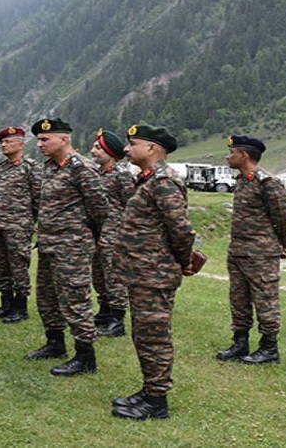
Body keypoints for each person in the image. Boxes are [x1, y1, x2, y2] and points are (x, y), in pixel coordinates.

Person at [111, 123, 196, 420]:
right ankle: (149, 390)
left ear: (151, 148)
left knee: (154, 337)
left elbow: (182, 230)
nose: (126, 149)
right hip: (142, 272)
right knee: (144, 335)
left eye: (132, 143)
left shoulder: (163, 182)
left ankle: (157, 401)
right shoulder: (148, 180)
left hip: (155, 274)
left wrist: (184, 261)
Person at [25, 117, 108, 376]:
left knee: (75, 299)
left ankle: (85, 356)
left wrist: (88, 235)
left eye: (44, 139)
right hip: (49, 243)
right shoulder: (49, 167)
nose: (39, 144)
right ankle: (55, 343)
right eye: (38, 139)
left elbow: (100, 207)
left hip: (73, 247)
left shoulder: (81, 167)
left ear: (64, 139)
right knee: (47, 297)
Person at [216, 135, 286, 364]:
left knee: (265, 299)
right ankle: (240, 343)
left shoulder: (267, 182)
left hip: (261, 254)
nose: (228, 157)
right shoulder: (242, 180)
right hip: (238, 250)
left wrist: (282, 244)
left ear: (244, 155)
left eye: (232, 152)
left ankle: (269, 348)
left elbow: (283, 216)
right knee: (238, 299)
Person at [0, 126, 42, 323]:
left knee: (18, 266)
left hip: (19, 226)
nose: (3, 144)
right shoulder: (1, 169)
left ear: (21, 144)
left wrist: (34, 224)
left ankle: (20, 307)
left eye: (8, 141)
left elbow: (39, 199)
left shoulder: (31, 168)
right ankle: (6, 303)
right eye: (2, 142)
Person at [89, 128, 135, 337]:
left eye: (98, 148)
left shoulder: (122, 176)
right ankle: (105, 311)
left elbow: (131, 207)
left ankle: (117, 321)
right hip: (97, 233)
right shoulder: (96, 174)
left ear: (111, 152)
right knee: (98, 276)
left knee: (114, 277)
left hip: (114, 235)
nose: (93, 151)